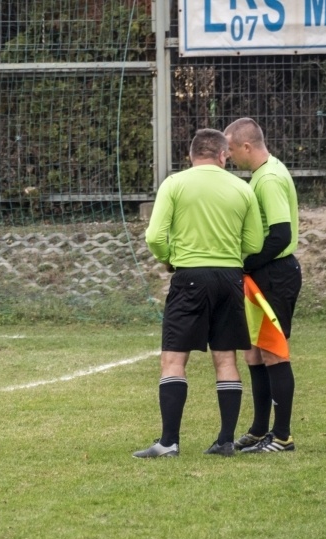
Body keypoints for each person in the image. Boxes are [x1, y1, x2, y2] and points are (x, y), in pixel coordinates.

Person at [133, 128, 264, 459]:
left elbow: (155, 236)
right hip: (230, 278)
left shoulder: (175, 184)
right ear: (222, 155)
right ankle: (224, 440)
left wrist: (169, 260)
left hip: (189, 276)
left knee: (174, 359)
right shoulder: (242, 188)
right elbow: (254, 243)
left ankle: (169, 442)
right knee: (226, 358)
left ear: (191, 156)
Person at [223, 118, 302, 453]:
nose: (227, 155)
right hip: (263, 275)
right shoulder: (264, 172)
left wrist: (246, 264)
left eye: (230, 148)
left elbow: (281, 234)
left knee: (272, 352)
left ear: (246, 147)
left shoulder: (268, 179)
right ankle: (259, 430)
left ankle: (282, 436)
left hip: (276, 273)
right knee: (254, 353)